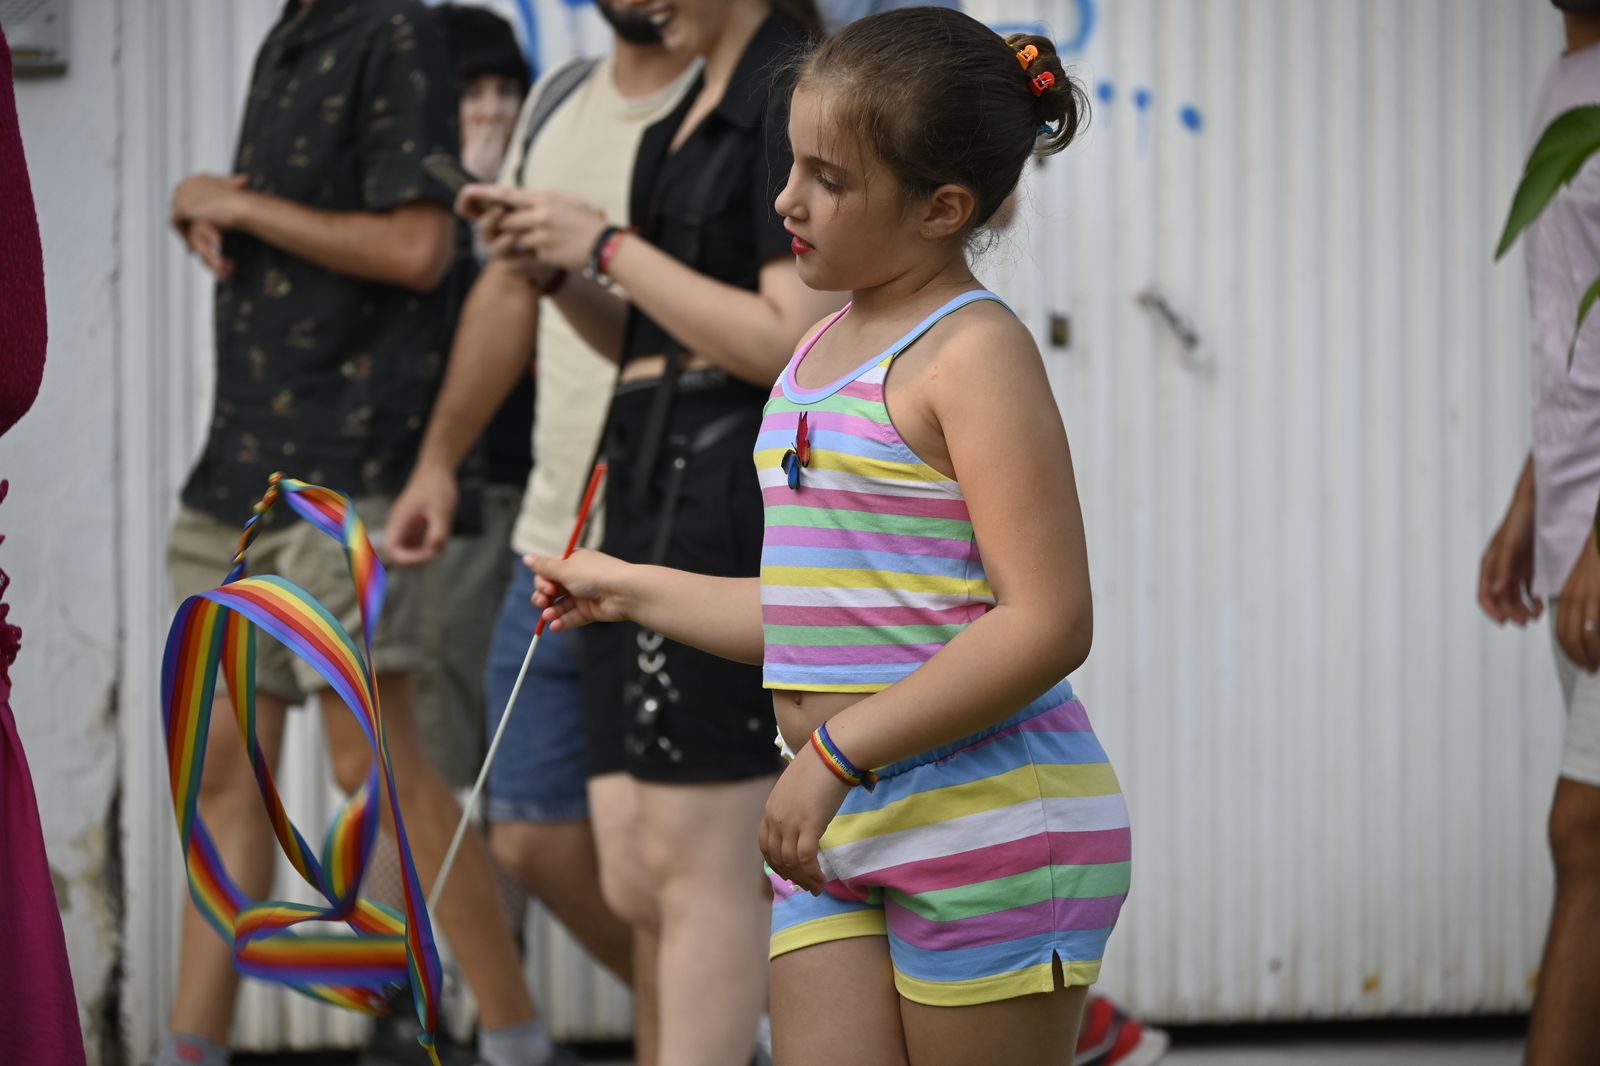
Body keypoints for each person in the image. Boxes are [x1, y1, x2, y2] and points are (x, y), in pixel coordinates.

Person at [527, 9, 1129, 1064]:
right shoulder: (814, 351)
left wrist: (837, 755)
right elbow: (817, 619)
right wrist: (628, 588)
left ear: (943, 206)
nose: (784, 200)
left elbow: (1048, 621)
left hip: (984, 825)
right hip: (834, 818)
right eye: (789, 164)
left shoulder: (972, 354)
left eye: (828, 179)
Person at [154, 4, 559, 1066]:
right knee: (229, 774)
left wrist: (241, 206)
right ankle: (187, 1051)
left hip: (350, 471)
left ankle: (516, 1038)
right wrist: (211, 207)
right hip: (237, 472)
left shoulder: (396, 28)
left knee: (381, 770)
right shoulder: (289, 32)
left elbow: (421, 247)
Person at [476, 0, 838, 1061]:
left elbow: (785, 340)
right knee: (634, 864)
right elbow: (653, 335)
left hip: (717, 494)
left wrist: (605, 243)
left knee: (696, 862)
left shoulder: (783, 91)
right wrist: (564, 274)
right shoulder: (700, 103)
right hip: (640, 483)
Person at [385, 2, 701, 1062]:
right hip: (551, 536)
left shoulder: (742, 104)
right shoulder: (561, 103)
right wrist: (438, 460)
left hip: (680, 544)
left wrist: (605, 248)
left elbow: (778, 329)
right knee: (526, 827)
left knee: (673, 866)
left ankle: (726, 1011)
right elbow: (518, 290)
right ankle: (731, 1009)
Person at [1480, 4, 1600, 1063]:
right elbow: (1580, 320)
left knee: (1586, 836)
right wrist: (1534, 495)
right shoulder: (1569, 76)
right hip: (1572, 521)